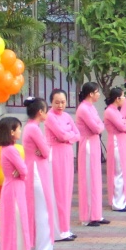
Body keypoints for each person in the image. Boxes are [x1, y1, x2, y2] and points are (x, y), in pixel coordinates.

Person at [0, 118, 31, 250]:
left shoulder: (7, 149)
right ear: (11, 132)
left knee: (18, 226)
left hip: (14, 188)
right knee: (15, 228)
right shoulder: (10, 150)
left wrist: (21, 172)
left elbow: (22, 171)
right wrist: (21, 172)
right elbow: (24, 170)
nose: (20, 132)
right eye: (18, 129)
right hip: (13, 191)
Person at [45, 89, 81, 240]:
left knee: (67, 190)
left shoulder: (66, 116)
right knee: (58, 191)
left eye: (63, 102)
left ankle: (66, 227)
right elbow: (61, 134)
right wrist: (68, 136)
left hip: (67, 153)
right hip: (56, 154)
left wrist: (68, 137)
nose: (60, 105)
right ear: (51, 102)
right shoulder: (49, 117)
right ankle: (58, 230)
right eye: (57, 102)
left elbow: (77, 134)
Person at [75, 83, 106, 227]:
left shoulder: (91, 107)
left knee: (95, 179)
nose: (98, 95)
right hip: (87, 144)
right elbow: (96, 127)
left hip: (94, 144)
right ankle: (87, 217)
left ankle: (96, 214)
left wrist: (99, 127)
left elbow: (100, 125)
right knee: (88, 179)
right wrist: (99, 127)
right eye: (97, 92)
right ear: (90, 94)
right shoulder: (83, 109)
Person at [102, 87, 126, 214]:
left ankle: (122, 200)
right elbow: (121, 126)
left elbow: (124, 123)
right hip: (115, 143)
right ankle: (117, 202)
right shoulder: (110, 111)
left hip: (121, 141)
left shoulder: (116, 111)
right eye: (123, 96)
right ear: (117, 98)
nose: (125, 99)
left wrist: (125, 125)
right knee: (118, 172)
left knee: (122, 171)